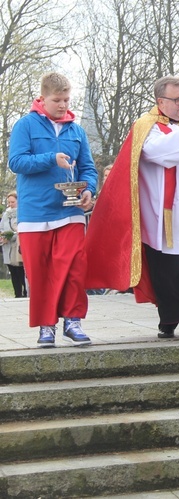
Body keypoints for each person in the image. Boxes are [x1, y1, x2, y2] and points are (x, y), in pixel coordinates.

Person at [85, 75, 179, 339]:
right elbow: (155, 153)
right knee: (171, 269)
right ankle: (170, 319)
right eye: (177, 99)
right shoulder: (148, 126)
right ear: (160, 101)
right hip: (163, 213)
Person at [8, 72, 98, 347]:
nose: (62, 105)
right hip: (35, 214)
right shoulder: (25, 125)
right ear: (43, 98)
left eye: (67, 99)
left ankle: (73, 321)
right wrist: (51, 159)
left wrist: (89, 191)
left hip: (69, 212)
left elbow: (88, 168)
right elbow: (17, 162)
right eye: (57, 100)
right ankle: (46, 326)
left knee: (73, 266)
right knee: (40, 272)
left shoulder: (77, 130)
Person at [0, 192, 27, 298]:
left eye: (13, 202)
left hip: (17, 245)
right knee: (12, 272)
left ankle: (25, 292)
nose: (10, 204)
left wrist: (12, 236)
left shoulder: (22, 213)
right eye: (9, 202)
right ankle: (17, 293)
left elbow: (20, 228)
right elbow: (2, 227)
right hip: (7, 246)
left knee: (20, 271)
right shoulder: (6, 214)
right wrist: (3, 236)